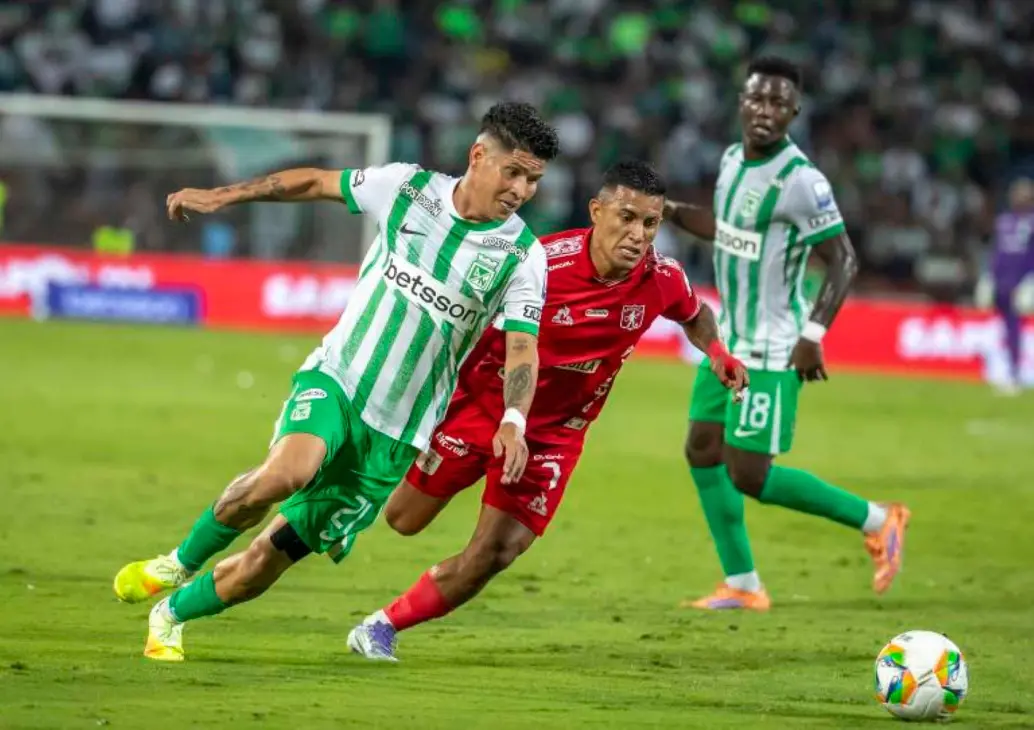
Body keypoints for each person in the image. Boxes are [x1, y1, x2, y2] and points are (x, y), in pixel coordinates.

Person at [112, 102, 561, 661]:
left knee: (261, 567)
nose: (521, 189)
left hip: (397, 433)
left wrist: (514, 421)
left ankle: (171, 613)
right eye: (513, 172)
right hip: (339, 378)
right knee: (287, 471)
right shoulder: (407, 189)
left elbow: (522, 346)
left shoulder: (522, 256)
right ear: (478, 156)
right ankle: (175, 563)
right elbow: (316, 182)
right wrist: (223, 196)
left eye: (533, 180)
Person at [345, 160, 749, 661]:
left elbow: (695, 312)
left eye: (649, 223)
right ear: (596, 212)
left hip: (556, 435)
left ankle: (382, 625)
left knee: (497, 551)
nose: (637, 234)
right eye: (626, 217)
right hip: (482, 410)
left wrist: (717, 352)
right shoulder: (539, 264)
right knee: (403, 519)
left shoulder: (662, 278)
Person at [662, 57, 909, 611]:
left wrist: (814, 332)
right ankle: (743, 584)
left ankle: (879, 518)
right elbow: (726, 229)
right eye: (757, 99)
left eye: (778, 103)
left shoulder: (802, 181)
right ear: (742, 103)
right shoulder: (730, 160)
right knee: (702, 449)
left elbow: (843, 259)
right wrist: (672, 211)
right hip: (727, 341)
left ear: (794, 111)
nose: (765, 111)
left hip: (774, 349)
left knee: (749, 473)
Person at [990, 178, 1034, 395]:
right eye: (1016, 193)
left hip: (1024, 281)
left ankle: (1018, 373)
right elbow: (997, 252)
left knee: (1018, 327)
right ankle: (1012, 372)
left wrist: (1028, 279)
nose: (1019, 198)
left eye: (1024, 194)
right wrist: (989, 277)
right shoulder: (1004, 221)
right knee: (1009, 328)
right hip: (1003, 283)